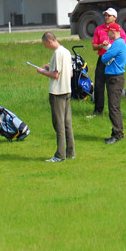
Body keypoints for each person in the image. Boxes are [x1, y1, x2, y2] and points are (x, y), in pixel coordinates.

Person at [37, 32, 74, 162]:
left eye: (45, 44)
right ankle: (70, 152)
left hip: (57, 92)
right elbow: (69, 73)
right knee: (67, 123)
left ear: (49, 41)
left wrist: (43, 72)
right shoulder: (66, 51)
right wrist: (50, 67)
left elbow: (56, 75)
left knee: (59, 125)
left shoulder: (58, 53)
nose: (45, 47)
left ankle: (60, 155)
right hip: (67, 90)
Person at [88, 8, 126, 119]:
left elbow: (124, 45)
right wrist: (102, 45)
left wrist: (112, 48)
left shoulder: (119, 30)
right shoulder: (99, 29)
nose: (106, 17)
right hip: (102, 58)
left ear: (115, 17)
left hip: (114, 60)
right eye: (105, 15)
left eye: (109, 15)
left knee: (112, 85)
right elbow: (94, 47)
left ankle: (114, 109)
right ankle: (98, 110)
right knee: (99, 85)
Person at [101, 23, 126, 144]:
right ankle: (116, 133)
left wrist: (108, 50)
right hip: (115, 78)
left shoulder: (118, 43)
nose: (107, 34)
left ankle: (117, 134)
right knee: (114, 106)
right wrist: (109, 49)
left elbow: (104, 58)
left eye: (108, 31)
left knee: (114, 107)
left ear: (113, 31)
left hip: (114, 79)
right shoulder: (119, 43)